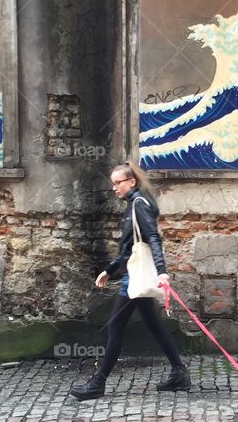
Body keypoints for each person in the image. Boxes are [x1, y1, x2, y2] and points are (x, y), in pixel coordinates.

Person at [69, 162, 191, 400]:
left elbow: (153, 238)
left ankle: (98, 383)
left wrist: (162, 271)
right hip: (133, 276)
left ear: (131, 182)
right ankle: (179, 374)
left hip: (135, 278)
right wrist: (109, 270)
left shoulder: (138, 205)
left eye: (118, 183)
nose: (114, 188)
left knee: (115, 327)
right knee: (153, 325)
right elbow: (128, 249)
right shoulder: (133, 206)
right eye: (113, 183)